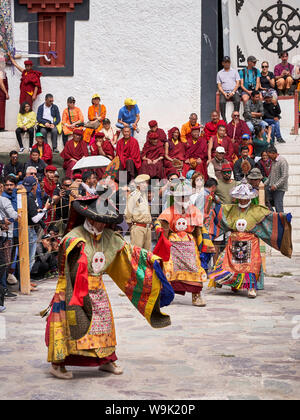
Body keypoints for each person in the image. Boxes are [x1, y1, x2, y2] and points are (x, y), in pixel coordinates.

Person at [44, 190, 173, 379]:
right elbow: (69, 259)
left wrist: (151, 259)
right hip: (72, 288)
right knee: (69, 326)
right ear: (90, 218)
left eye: (106, 222)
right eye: (101, 221)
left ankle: (106, 361)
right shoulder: (74, 237)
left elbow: (129, 252)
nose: (104, 225)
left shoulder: (106, 236)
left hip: (97, 287)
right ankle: (58, 364)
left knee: (104, 325)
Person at [208, 180, 292, 299]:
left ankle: (251, 287)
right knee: (230, 264)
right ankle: (235, 284)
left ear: (250, 198)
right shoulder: (231, 209)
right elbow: (218, 212)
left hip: (251, 242)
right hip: (233, 242)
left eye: (245, 198)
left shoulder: (257, 210)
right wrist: (211, 204)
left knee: (252, 265)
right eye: (240, 198)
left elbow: (270, 216)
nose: (243, 200)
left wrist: (282, 217)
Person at [156, 180, 215, 307]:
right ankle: (166, 294)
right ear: (175, 197)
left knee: (195, 268)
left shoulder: (194, 211)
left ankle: (196, 295)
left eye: (185, 196)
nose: (183, 198)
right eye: (180, 196)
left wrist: (203, 246)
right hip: (173, 246)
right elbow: (161, 225)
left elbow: (199, 230)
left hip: (190, 246)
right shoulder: (169, 211)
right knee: (169, 268)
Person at [22, 176, 51, 275]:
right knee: (29, 258)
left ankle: (26, 282)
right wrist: (46, 208)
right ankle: (26, 283)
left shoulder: (24, 196)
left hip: (25, 229)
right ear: (34, 186)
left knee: (26, 258)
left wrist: (39, 211)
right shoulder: (29, 198)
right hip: (29, 230)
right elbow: (35, 219)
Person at [125, 174, 152, 250]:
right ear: (138, 185)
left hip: (147, 227)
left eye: (146, 182)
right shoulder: (133, 196)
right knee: (137, 253)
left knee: (147, 254)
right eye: (142, 183)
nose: (145, 185)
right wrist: (133, 227)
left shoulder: (144, 195)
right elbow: (128, 213)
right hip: (138, 227)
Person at [0, 191, 19, 299]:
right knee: (4, 263)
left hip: (5, 233)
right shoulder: (4, 200)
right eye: (7, 185)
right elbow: (13, 215)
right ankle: (3, 289)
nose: (9, 187)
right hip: (5, 236)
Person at [265, 146, 289, 213]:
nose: (268, 158)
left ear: (274, 153)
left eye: (269, 155)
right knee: (267, 203)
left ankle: (281, 222)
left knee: (278, 207)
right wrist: (265, 184)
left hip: (279, 189)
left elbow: (285, 176)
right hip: (272, 187)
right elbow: (270, 175)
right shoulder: (273, 161)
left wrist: (276, 186)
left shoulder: (282, 161)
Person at [217, 56, 240, 122]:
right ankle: (224, 120)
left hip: (234, 91)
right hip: (224, 92)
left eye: (228, 62)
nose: (227, 63)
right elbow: (219, 85)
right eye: (225, 62)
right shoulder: (219, 73)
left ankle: (235, 117)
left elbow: (237, 83)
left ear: (230, 63)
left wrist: (232, 92)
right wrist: (224, 93)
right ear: (222, 63)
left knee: (237, 100)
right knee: (221, 102)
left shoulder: (235, 72)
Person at [0, 54, 9, 132]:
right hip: (1, 94)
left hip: (2, 94)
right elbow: (1, 83)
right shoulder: (0, 72)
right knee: (1, 110)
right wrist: (6, 93)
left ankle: (2, 126)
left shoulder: (2, 71)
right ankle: (1, 126)